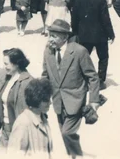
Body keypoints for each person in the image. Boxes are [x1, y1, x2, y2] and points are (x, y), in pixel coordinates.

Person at [41, 19, 100, 158]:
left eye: (54, 36)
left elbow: (92, 77)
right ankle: (73, 155)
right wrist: (43, 98)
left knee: (67, 133)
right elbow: (45, 75)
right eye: (50, 35)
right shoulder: (48, 51)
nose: (50, 39)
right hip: (57, 101)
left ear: (65, 37)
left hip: (75, 100)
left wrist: (94, 101)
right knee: (65, 134)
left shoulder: (79, 51)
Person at [71, 0, 115, 90]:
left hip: (84, 34)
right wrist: (111, 34)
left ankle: (82, 80)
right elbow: (105, 19)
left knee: (83, 58)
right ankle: (100, 81)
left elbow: (74, 18)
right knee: (103, 57)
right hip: (100, 35)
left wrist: (75, 31)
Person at [0, 48, 34, 156]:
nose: (4, 67)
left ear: (17, 64)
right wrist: (2, 128)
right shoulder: (7, 78)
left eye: (7, 64)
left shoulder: (28, 82)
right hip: (5, 131)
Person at [7, 78, 54, 159]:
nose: (50, 103)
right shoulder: (23, 123)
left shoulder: (43, 119)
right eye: (46, 100)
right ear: (36, 100)